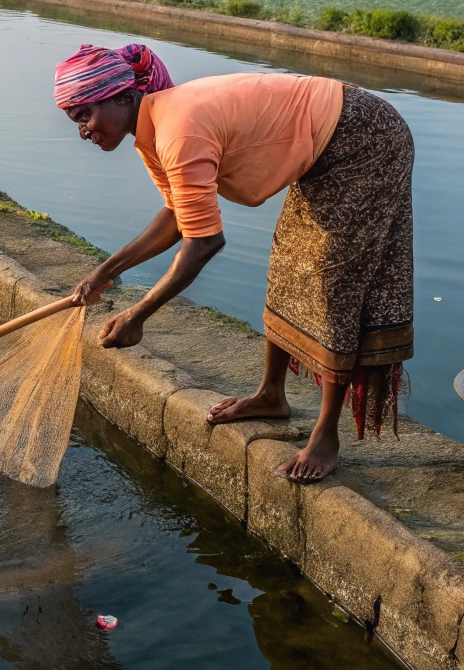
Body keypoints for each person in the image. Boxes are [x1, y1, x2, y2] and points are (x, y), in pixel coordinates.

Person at [57, 44, 414, 482]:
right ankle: (271, 395)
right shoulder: (155, 134)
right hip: (328, 140)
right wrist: (106, 271)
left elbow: (204, 240)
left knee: (330, 281)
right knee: (289, 266)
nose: (84, 131)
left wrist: (137, 315)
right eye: (76, 121)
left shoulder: (178, 131)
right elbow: (177, 217)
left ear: (122, 97)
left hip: (364, 137)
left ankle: (325, 437)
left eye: (85, 116)